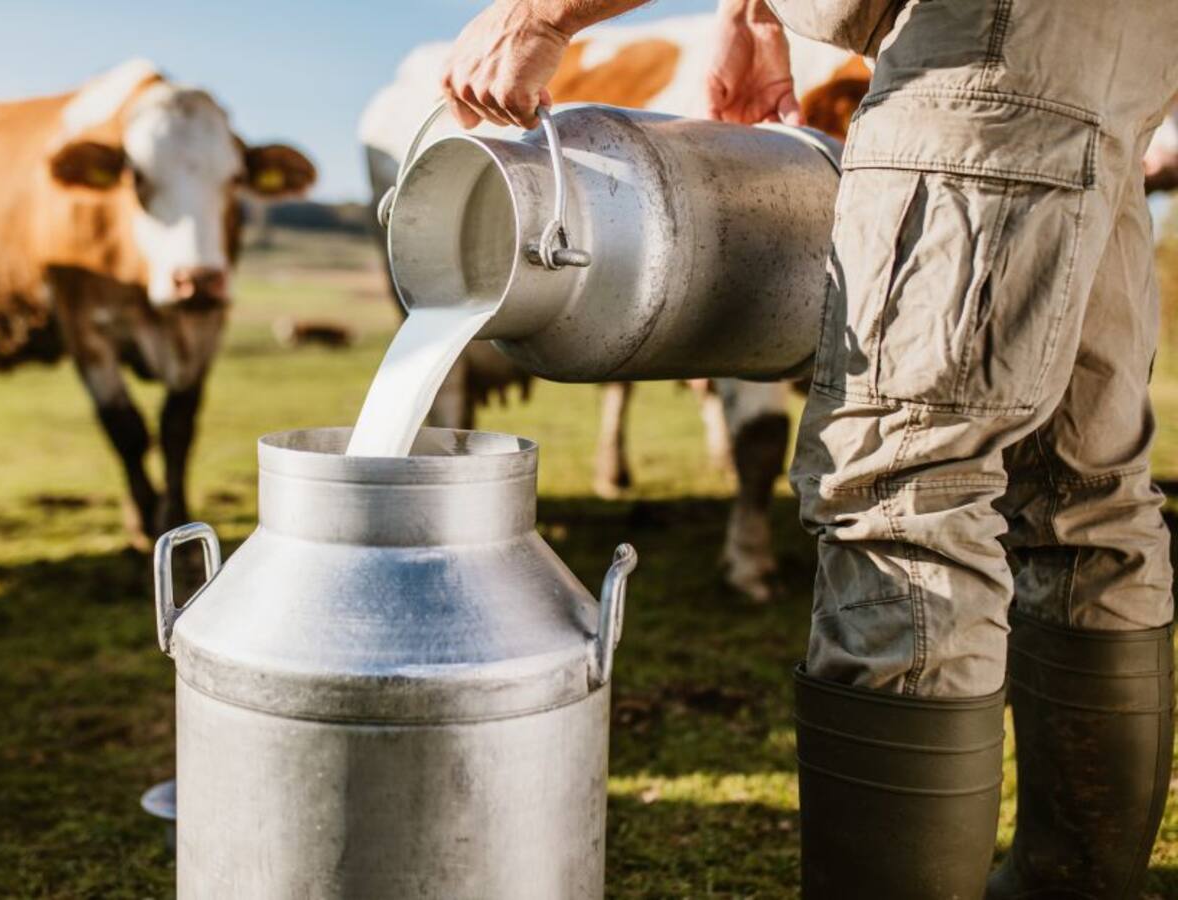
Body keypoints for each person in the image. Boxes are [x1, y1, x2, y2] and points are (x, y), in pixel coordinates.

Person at [440, 1, 1178, 896]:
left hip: (977, 43)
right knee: (1085, 493)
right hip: (1119, 49)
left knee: (904, 495)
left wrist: (541, 14)